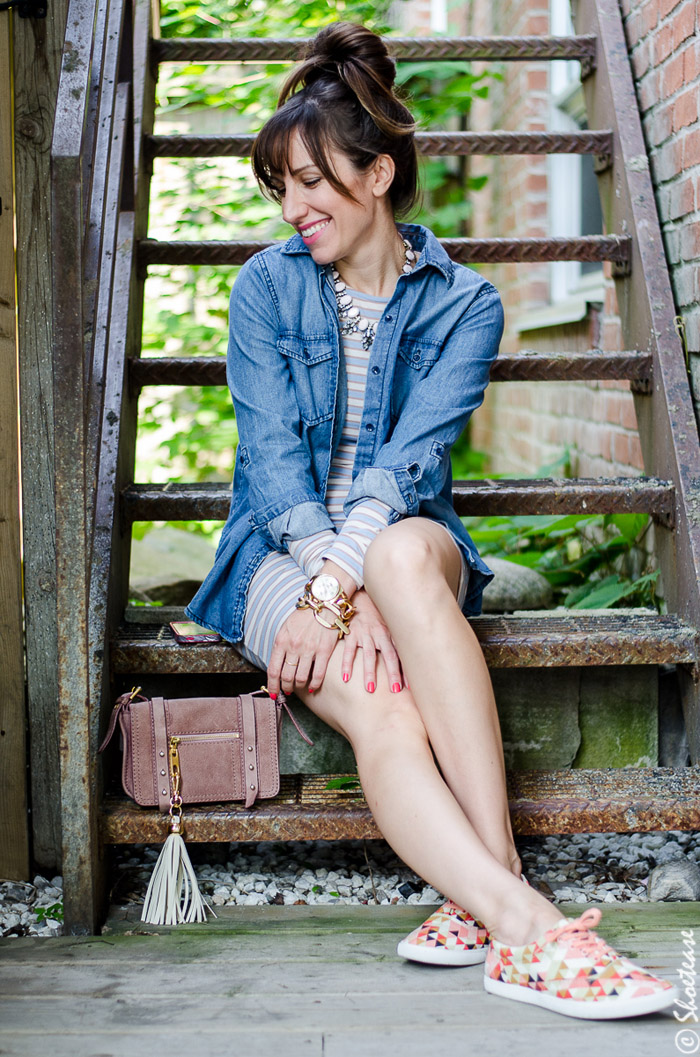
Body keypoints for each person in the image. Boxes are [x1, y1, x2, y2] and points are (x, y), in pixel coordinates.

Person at [186, 21, 676, 1019]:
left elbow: (409, 465)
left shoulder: (465, 304)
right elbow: (275, 472)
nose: (293, 207)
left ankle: (488, 904)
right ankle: (524, 922)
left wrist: (346, 588)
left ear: (375, 175)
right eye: (278, 186)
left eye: (312, 181)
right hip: (277, 550)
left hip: (393, 542)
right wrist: (323, 588)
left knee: (408, 555)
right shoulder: (265, 289)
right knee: (384, 702)